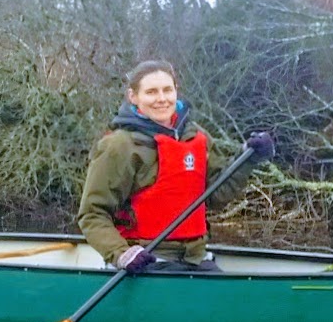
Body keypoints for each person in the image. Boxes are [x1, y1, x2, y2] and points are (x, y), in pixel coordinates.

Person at [78, 60, 274, 274]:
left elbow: (218, 196)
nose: (161, 99)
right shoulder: (119, 146)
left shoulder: (197, 136)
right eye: (151, 92)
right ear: (133, 96)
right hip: (146, 261)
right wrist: (121, 254)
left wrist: (247, 159)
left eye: (167, 90)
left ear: (176, 91)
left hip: (194, 258)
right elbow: (92, 214)